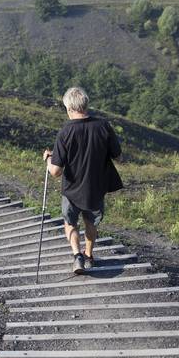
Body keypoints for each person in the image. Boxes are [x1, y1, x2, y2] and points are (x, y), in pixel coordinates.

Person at [43, 87, 123, 274]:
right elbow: (119, 157)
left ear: (69, 108)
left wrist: (48, 158)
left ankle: (77, 256)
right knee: (91, 223)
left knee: (70, 222)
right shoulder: (103, 126)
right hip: (96, 187)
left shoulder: (65, 132)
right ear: (86, 104)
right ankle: (89, 255)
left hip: (72, 189)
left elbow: (55, 171)